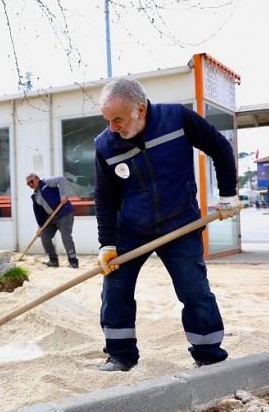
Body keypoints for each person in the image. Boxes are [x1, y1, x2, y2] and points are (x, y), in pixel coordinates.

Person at [94, 77, 240, 372]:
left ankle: (208, 354)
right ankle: (120, 355)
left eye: (117, 119)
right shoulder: (106, 145)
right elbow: (105, 197)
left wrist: (227, 195)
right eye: (108, 120)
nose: (112, 127)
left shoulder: (177, 119)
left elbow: (220, 147)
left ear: (140, 109)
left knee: (195, 291)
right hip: (131, 229)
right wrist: (107, 243)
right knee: (115, 290)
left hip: (180, 223)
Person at [26, 173, 79, 268]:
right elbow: (40, 214)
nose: (30, 184)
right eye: (28, 183)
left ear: (37, 179)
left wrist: (63, 195)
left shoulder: (46, 182)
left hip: (64, 213)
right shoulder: (36, 196)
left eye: (32, 181)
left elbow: (61, 179)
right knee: (44, 236)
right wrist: (40, 227)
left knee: (66, 236)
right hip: (52, 218)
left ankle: (73, 261)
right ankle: (53, 260)